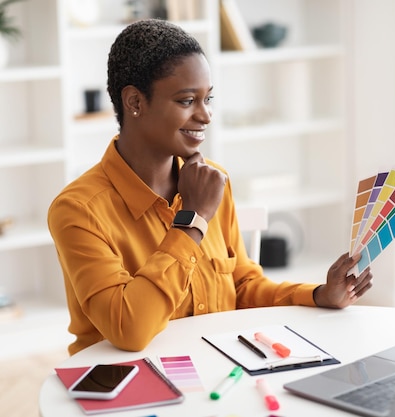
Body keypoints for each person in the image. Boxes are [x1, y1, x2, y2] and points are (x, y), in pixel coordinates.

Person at [48, 19, 373, 356]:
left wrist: (320, 294)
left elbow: (244, 287)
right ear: (135, 102)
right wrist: (194, 218)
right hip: (125, 388)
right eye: (187, 100)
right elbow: (129, 329)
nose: (206, 115)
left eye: (208, 98)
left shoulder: (213, 179)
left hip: (215, 370)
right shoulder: (78, 210)